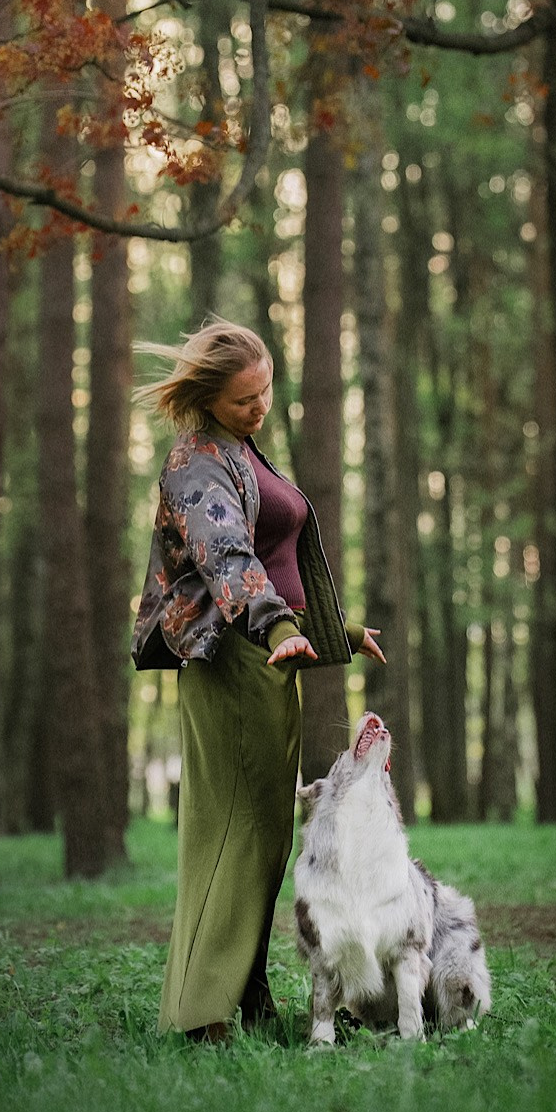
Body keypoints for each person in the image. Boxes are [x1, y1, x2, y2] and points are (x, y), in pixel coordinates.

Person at [131, 316, 386, 1041]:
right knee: (233, 834)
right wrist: (276, 628)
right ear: (208, 397)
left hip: (269, 659)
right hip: (231, 658)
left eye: (266, 391)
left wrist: (339, 634)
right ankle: (199, 1014)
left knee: (266, 836)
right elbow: (226, 556)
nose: (260, 407)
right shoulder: (195, 463)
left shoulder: (240, 449)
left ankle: (244, 996)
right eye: (245, 399)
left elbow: (279, 559)